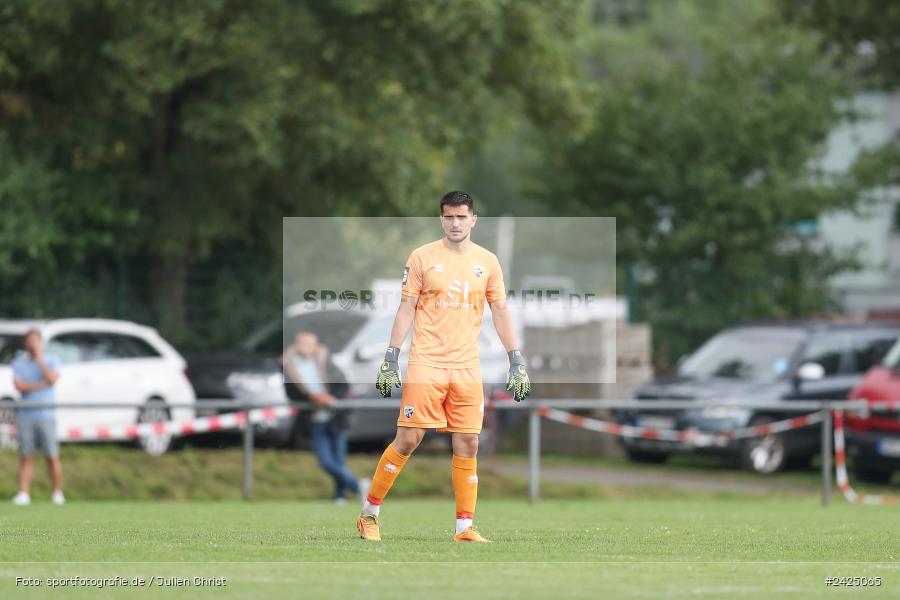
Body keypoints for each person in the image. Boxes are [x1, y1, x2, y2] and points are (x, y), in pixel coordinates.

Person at [357, 190, 531, 543]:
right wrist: (390, 357)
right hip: (427, 362)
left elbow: (500, 311)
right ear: (441, 219)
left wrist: (516, 360)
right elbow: (406, 308)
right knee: (408, 439)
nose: (455, 223)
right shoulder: (422, 257)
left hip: (467, 366)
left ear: (473, 220)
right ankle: (369, 514)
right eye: (449, 216)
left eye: (461, 216)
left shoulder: (488, 262)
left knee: (468, 443)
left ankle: (464, 528)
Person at [281, 331, 370, 505]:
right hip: (315, 418)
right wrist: (313, 398)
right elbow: (291, 394)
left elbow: (342, 384)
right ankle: (359, 485)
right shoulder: (288, 366)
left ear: (315, 345)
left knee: (339, 459)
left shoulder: (326, 360)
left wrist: (331, 399)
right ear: (296, 344)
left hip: (336, 417)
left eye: (309, 343)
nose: (305, 347)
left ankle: (340, 496)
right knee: (326, 462)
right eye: (302, 343)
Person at [11, 329, 64, 505]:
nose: (32, 345)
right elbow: (20, 386)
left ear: (41, 343)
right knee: (26, 456)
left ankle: (57, 493)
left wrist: (39, 360)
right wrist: (42, 384)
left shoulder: (51, 360)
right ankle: (24, 493)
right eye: (29, 341)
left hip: (46, 415)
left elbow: (52, 379)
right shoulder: (19, 363)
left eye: (35, 341)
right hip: (26, 415)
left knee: (52, 456)